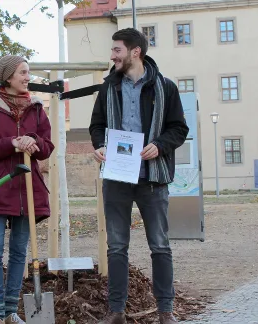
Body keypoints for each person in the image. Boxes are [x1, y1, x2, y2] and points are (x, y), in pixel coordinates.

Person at [89, 28, 189, 324]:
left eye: (117, 50)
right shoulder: (109, 87)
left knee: (160, 245)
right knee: (116, 247)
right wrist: (99, 145)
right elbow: (97, 125)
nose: (112, 55)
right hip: (117, 179)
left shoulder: (165, 87)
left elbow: (179, 129)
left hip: (153, 179)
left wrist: (159, 145)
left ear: (135, 52)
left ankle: (165, 311)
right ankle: (116, 311)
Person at [0, 55, 55, 324]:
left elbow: (47, 147)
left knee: (20, 252)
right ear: (8, 77)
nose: (27, 77)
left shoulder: (37, 108)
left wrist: (33, 141)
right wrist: (13, 143)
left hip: (27, 189)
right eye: (22, 72)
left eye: (28, 72)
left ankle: (10, 311)